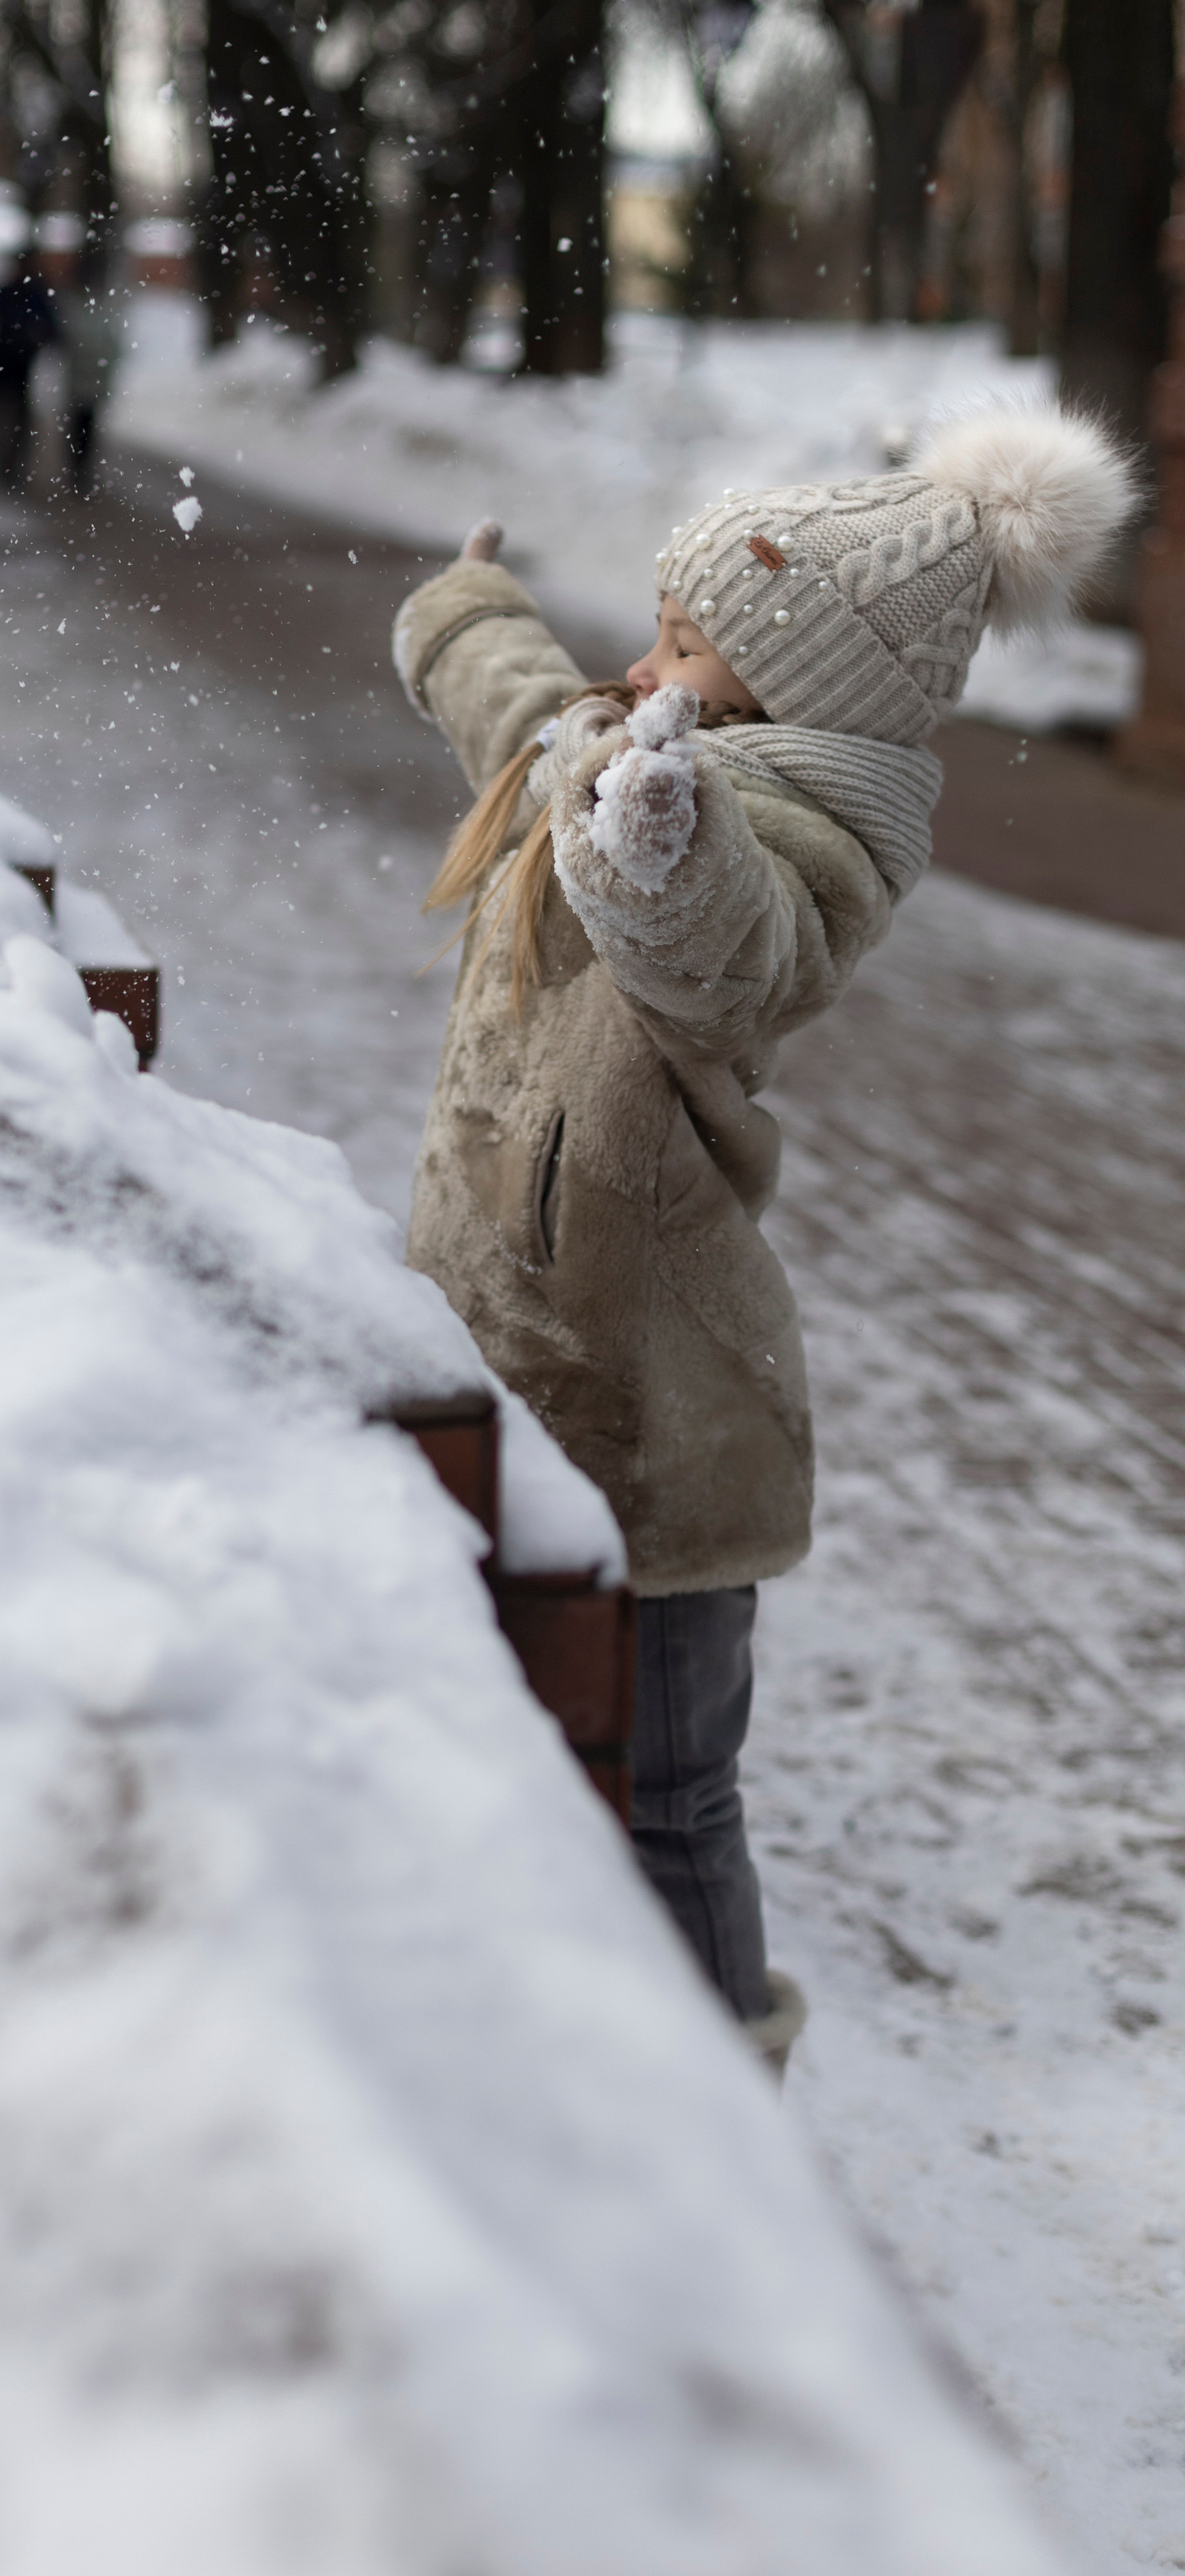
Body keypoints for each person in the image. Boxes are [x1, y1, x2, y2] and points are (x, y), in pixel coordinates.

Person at [391, 411, 1136, 2074]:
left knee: (669, 1789)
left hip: (656, 1406)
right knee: (502, 1722)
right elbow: (525, 723)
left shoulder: (789, 841)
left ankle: (727, 2102)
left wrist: (660, 845)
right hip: (520, 1338)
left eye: (686, 644)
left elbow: (727, 953)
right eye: (659, 623)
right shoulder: (619, 739)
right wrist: (470, 612)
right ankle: (538, 2040)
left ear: (795, 695)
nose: (643, 662)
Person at [0, 246, 60, 493]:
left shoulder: (36, 295)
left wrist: (38, 335)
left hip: (22, 368)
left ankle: (8, 464)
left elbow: (54, 332)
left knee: (14, 418)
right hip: (3, 365)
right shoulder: (10, 293)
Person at [52, 241, 123, 500]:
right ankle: (77, 470)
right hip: (83, 378)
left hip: (91, 378)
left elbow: (111, 346)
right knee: (81, 426)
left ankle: (80, 470)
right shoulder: (79, 308)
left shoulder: (91, 309)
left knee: (86, 427)